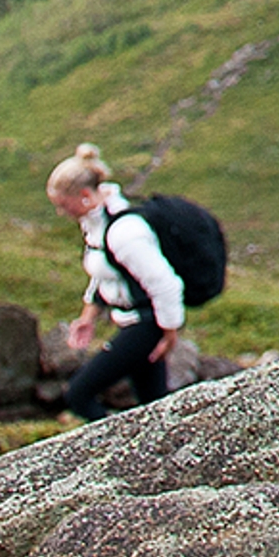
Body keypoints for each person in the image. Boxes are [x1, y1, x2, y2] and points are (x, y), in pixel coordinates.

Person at [47, 143, 186, 416]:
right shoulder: (97, 227)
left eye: (64, 205)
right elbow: (106, 276)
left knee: (79, 394)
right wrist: (88, 317)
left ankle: (121, 453)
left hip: (146, 325)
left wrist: (169, 334)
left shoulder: (125, 232)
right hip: (133, 323)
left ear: (85, 195)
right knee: (154, 404)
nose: (61, 213)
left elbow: (165, 284)